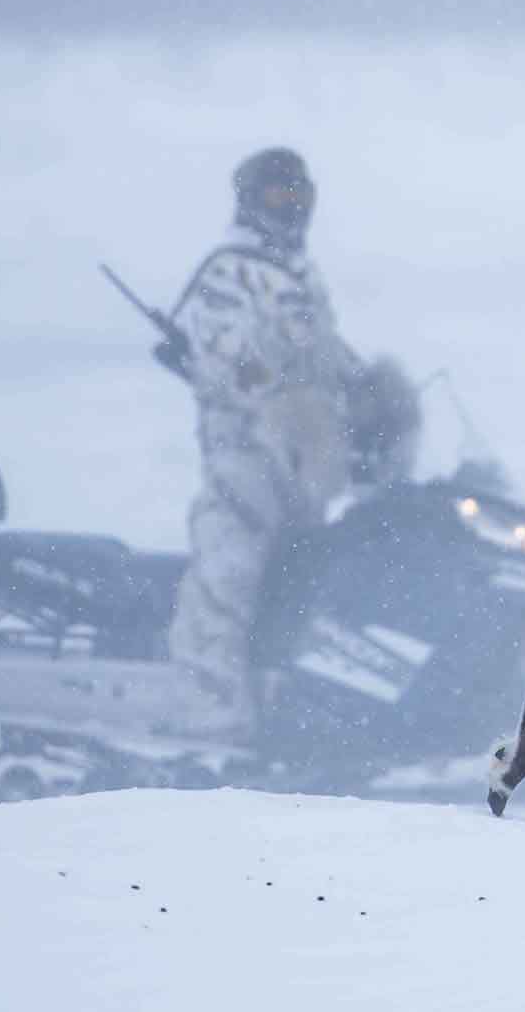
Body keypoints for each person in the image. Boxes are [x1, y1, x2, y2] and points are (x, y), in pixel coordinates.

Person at [163, 147, 359, 739]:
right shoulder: (229, 271)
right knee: (230, 572)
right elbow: (228, 361)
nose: (291, 209)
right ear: (251, 200)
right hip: (246, 451)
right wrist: (280, 400)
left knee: (302, 584)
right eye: (278, 197)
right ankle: (210, 714)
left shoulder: (300, 274)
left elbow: (329, 351)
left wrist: (371, 399)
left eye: (299, 196)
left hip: (305, 459)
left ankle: (293, 709)